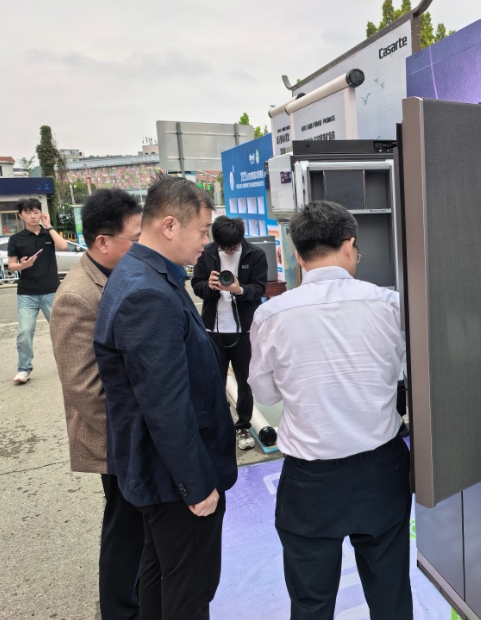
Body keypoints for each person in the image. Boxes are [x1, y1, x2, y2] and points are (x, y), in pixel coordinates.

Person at [249, 200, 412, 620]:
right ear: (350, 245)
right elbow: (406, 372)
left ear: (298, 254)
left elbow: (265, 395)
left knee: (311, 603)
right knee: (391, 595)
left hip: (310, 483)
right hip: (381, 472)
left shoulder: (271, 315)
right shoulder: (391, 305)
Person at [94, 174, 237, 620]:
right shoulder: (146, 293)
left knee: (160, 578)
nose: (205, 243)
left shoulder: (145, 273)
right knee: (189, 590)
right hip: (174, 479)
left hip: (163, 475)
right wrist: (197, 484)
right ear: (170, 225)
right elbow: (165, 405)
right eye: (202, 231)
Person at [49, 188, 145, 619]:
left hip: (130, 432)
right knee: (125, 528)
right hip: (116, 440)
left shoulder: (115, 275)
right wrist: (139, 435)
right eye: (135, 239)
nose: (141, 247)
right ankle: (121, 610)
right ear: (103, 241)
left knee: (138, 526)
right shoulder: (77, 295)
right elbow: (84, 388)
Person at [191, 215, 268, 451]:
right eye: (223, 246)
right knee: (214, 381)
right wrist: (209, 287)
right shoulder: (206, 254)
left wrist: (239, 289)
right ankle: (218, 425)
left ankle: (243, 425)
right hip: (212, 330)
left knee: (245, 381)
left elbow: (259, 289)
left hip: (244, 330)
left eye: (232, 246)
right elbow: (196, 285)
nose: (228, 250)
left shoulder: (255, 255)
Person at [7, 197, 68, 383]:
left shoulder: (48, 234)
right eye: (28, 213)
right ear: (21, 215)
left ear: (41, 213)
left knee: (61, 331)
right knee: (24, 332)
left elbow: (63, 246)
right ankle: (24, 369)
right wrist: (23, 265)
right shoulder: (16, 239)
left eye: (36, 212)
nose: (33, 216)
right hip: (27, 293)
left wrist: (49, 226)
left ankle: (70, 365)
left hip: (51, 291)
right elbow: (11, 265)